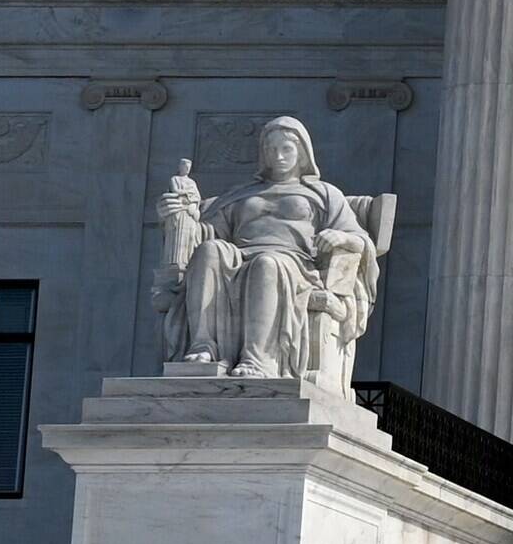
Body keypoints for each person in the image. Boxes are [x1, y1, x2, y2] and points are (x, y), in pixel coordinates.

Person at [152, 116, 394, 387]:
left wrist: (340, 236)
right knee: (209, 251)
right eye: (271, 149)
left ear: (302, 152)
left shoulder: (325, 194)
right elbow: (205, 235)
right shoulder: (240, 194)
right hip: (239, 255)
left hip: (296, 265)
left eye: (286, 149)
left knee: (267, 264)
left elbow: (361, 241)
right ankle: (204, 346)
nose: (278, 156)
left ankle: (258, 358)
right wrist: (177, 216)